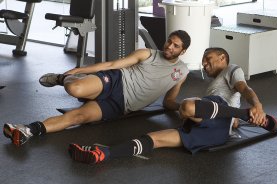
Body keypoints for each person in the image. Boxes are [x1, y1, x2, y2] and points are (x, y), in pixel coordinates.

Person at [67, 47, 277, 164]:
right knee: (154, 139)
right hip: (211, 132)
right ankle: (104, 154)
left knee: (188, 107)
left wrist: (256, 106)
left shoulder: (232, 69)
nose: (205, 64)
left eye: (209, 59)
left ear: (223, 57)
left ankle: (242, 114)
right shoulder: (211, 87)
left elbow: (244, 89)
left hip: (221, 115)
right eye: (204, 61)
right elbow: (171, 103)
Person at [3, 30, 191, 146]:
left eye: (175, 46)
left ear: (182, 51)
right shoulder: (147, 54)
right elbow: (112, 65)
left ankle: (27, 130)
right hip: (116, 80)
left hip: (122, 106)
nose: (169, 47)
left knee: (78, 117)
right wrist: (79, 69)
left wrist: (186, 108)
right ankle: (63, 78)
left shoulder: (182, 71)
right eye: (169, 41)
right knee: (75, 88)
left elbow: (169, 102)